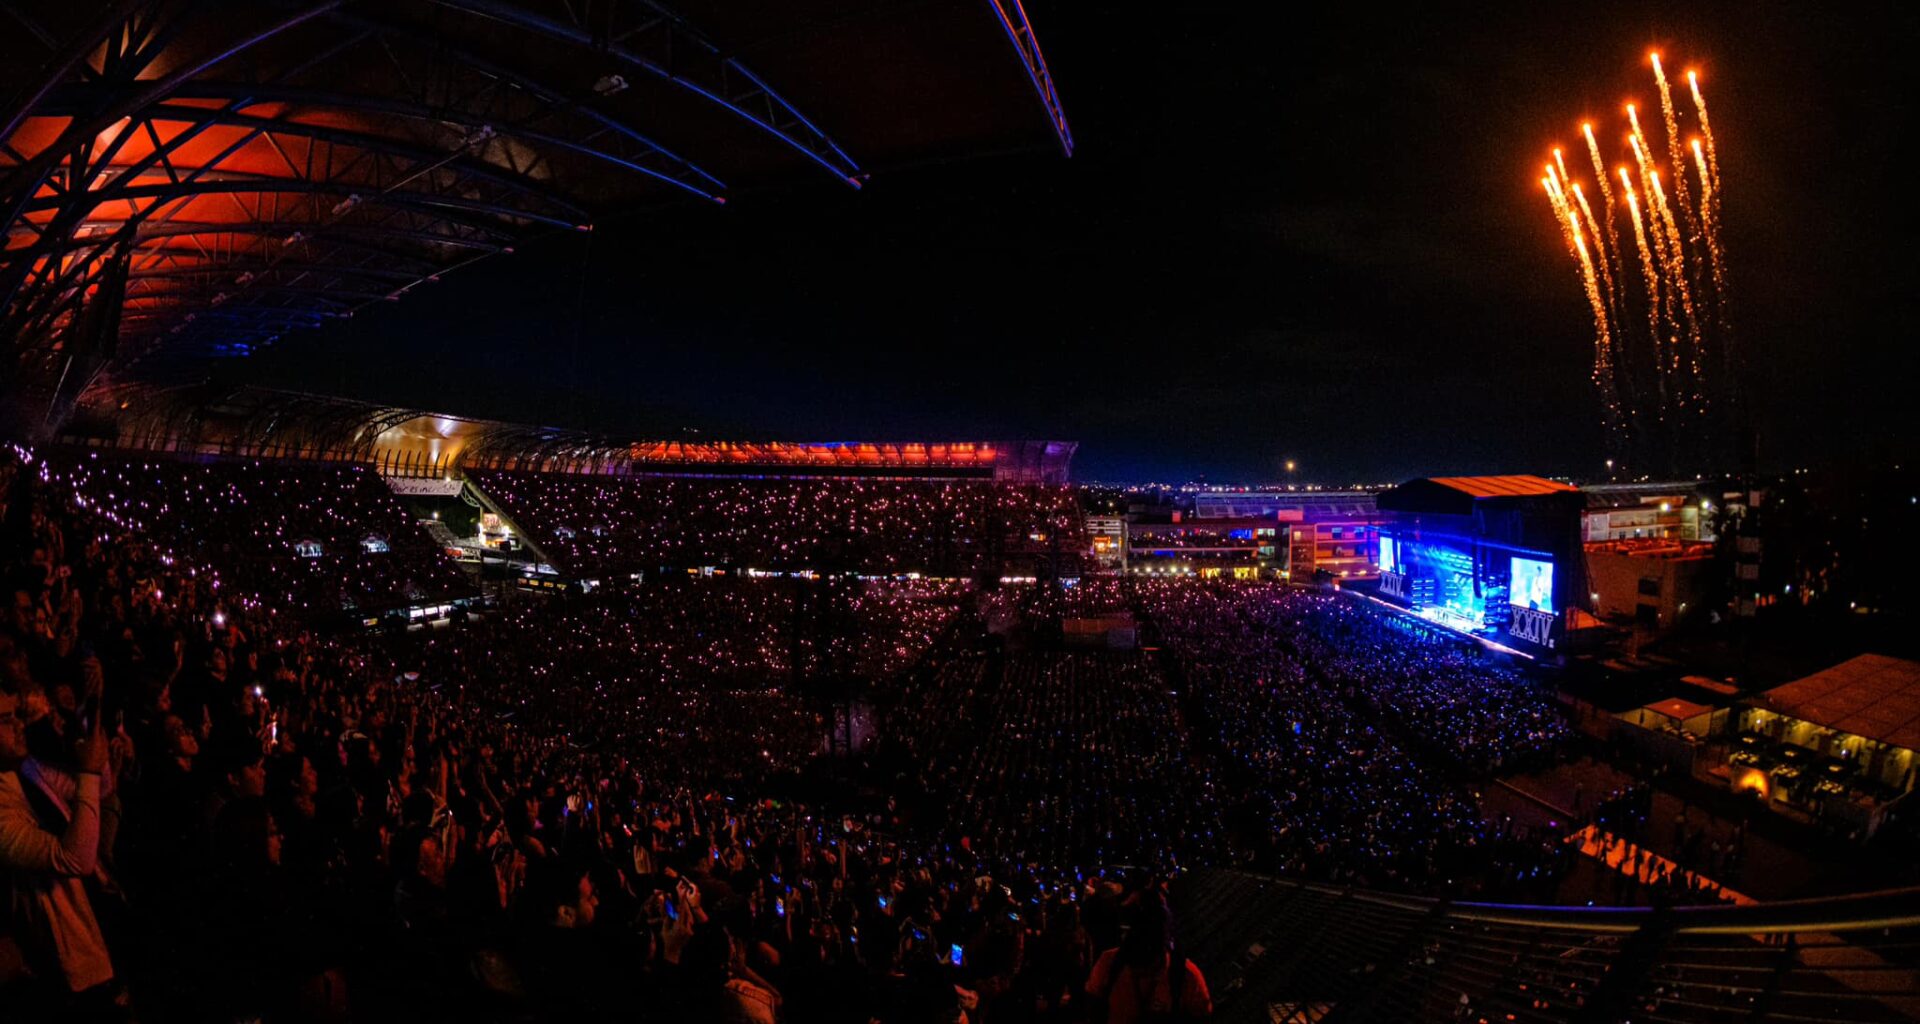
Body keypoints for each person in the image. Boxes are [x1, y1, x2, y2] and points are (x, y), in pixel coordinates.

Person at [0, 685, 119, 1008]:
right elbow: (74, 859)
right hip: (77, 965)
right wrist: (90, 771)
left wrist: (91, 747)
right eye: (6, 720)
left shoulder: (26, 770)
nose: (19, 726)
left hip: (102, 927)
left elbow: (97, 789)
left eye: (17, 717)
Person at [1084, 898, 1210, 1023]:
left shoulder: (1185, 976)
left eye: (1146, 962)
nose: (1139, 970)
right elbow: (1092, 1004)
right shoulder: (1109, 963)